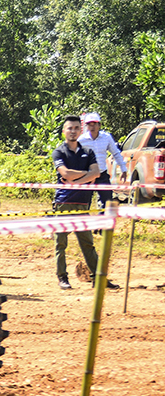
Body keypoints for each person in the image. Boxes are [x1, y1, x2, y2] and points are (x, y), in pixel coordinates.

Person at [52, 115, 118, 290]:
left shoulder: (88, 153)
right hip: (63, 203)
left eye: (76, 128)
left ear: (80, 131)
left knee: (88, 243)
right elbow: (64, 173)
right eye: (69, 128)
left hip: (82, 204)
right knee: (61, 243)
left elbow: (96, 173)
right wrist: (84, 175)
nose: (73, 131)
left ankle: (99, 277)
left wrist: (75, 180)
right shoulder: (59, 152)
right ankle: (62, 277)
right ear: (64, 131)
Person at [78, 112, 127, 206]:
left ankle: (103, 219)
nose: (92, 127)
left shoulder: (106, 138)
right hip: (87, 175)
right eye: (89, 125)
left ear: (99, 125)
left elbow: (116, 153)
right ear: (86, 126)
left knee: (108, 202)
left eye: (94, 124)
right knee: (84, 203)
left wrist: (123, 168)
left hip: (102, 174)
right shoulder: (81, 140)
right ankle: (85, 219)